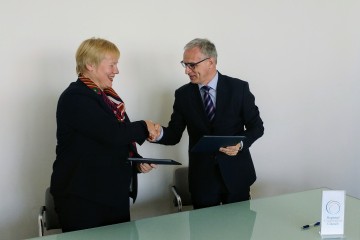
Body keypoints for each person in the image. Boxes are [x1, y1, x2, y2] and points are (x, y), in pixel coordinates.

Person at [50, 37, 157, 232]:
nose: (116, 71)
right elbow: (112, 134)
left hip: (111, 194)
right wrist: (144, 125)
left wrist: (137, 162)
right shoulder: (76, 97)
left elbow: (117, 141)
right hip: (83, 198)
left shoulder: (108, 98)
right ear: (90, 64)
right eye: (112, 65)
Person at [152, 38, 264, 209]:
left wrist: (240, 144)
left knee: (239, 232)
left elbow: (257, 127)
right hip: (202, 180)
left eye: (192, 65)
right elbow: (174, 134)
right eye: (185, 65)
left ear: (210, 62)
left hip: (236, 176)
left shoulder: (238, 88)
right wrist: (158, 133)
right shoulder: (183, 95)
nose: (187, 71)